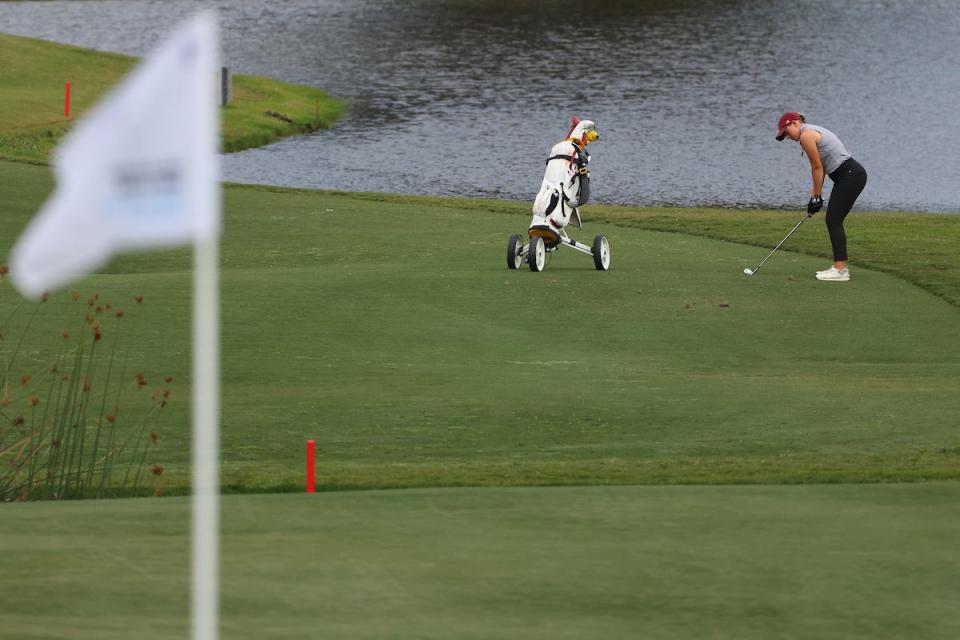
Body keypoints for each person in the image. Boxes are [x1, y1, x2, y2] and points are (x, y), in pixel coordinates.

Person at [775, 112, 867, 282]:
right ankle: (840, 268)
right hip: (849, 175)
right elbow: (820, 169)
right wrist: (814, 197)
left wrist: (817, 197)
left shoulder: (806, 135)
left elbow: (817, 168)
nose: (787, 137)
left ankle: (840, 270)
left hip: (850, 175)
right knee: (833, 219)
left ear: (794, 123)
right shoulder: (809, 131)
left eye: (786, 133)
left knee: (833, 220)